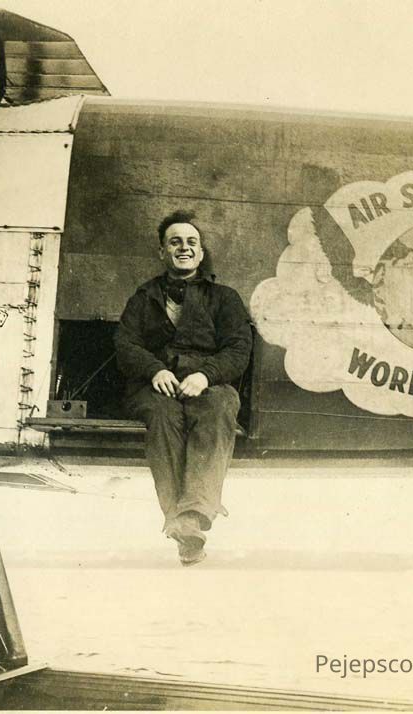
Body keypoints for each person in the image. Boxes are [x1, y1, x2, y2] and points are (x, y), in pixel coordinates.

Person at [115, 210, 253, 566]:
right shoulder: (143, 297)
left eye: (192, 242)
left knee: (220, 407)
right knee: (162, 416)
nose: (184, 248)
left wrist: (206, 375)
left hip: (208, 384)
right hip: (155, 386)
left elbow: (239, 348)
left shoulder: (225, 298)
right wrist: (154, 369)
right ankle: (185, 520)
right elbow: (125, 344)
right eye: (175, 242)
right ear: (162, 252)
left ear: (201, 253)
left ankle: (189, 518)